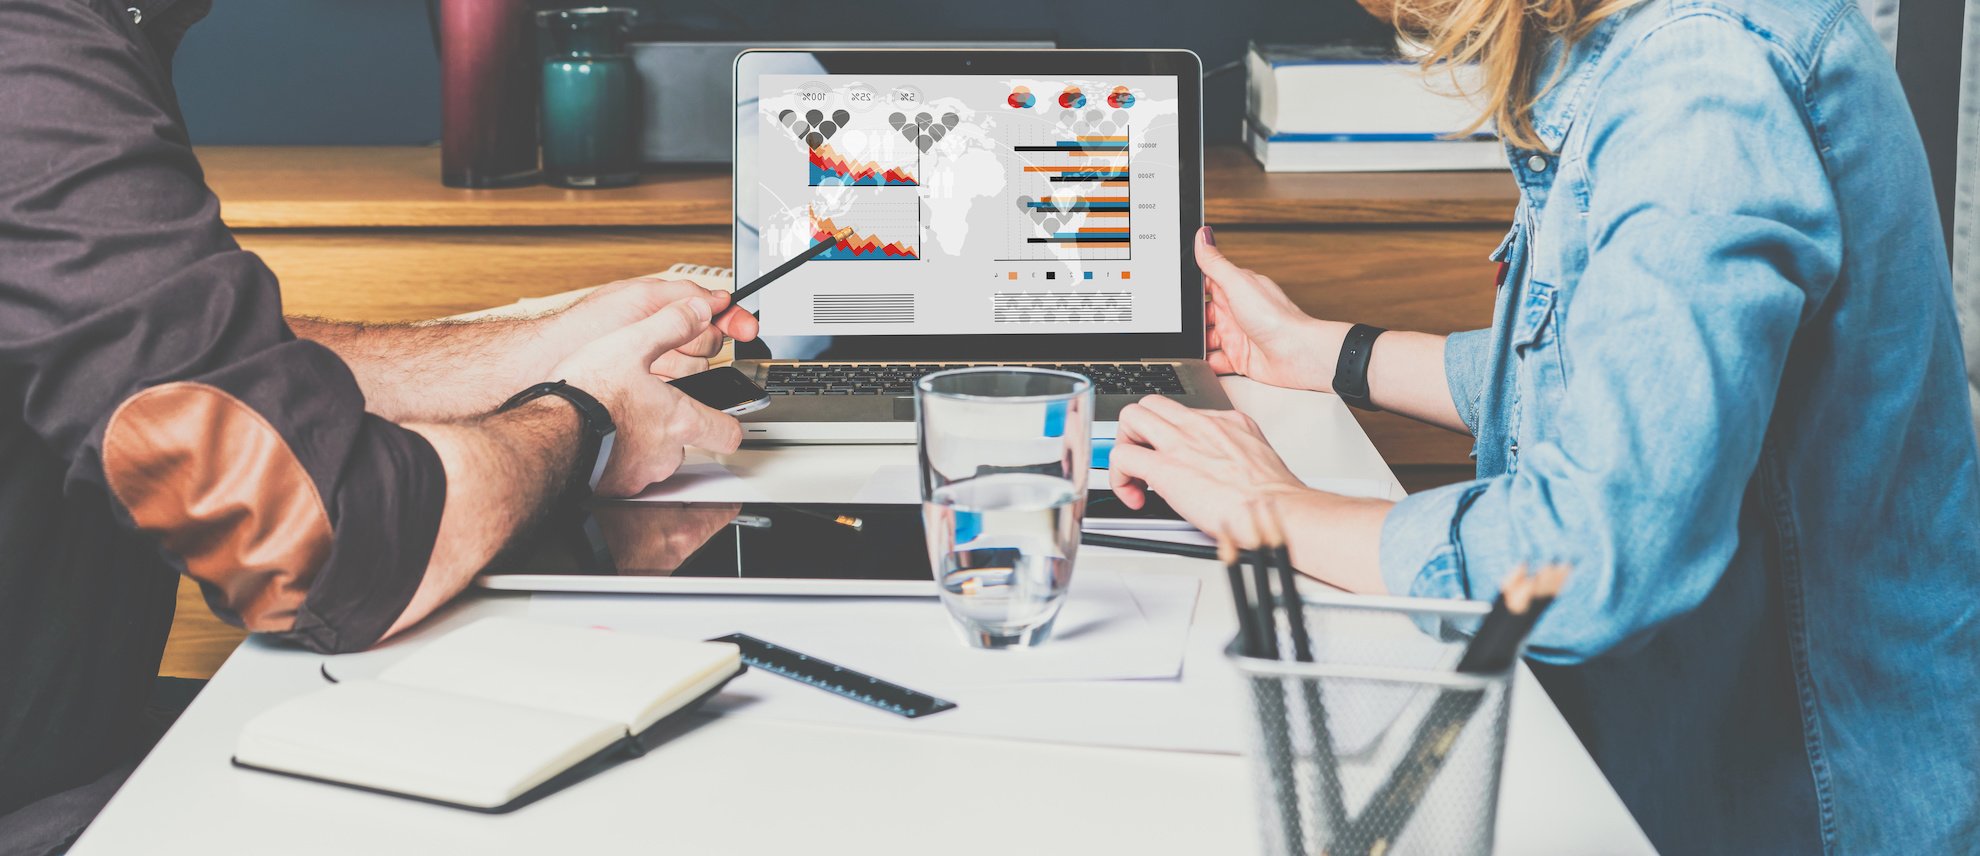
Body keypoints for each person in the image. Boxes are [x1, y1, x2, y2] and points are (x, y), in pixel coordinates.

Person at [1108, 0, 1980, 851]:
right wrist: (1326, 352)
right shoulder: (1656, 47)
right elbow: (1613, 380)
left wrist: (1271, 508)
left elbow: (1597, 551)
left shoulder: (1702, 84)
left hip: (1794, 814)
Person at [0, 0, 759, 850]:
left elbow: (190, 356)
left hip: (82, 741)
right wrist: (588, 419)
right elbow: (323, 543)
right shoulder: (30, 56)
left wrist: (547, 344)